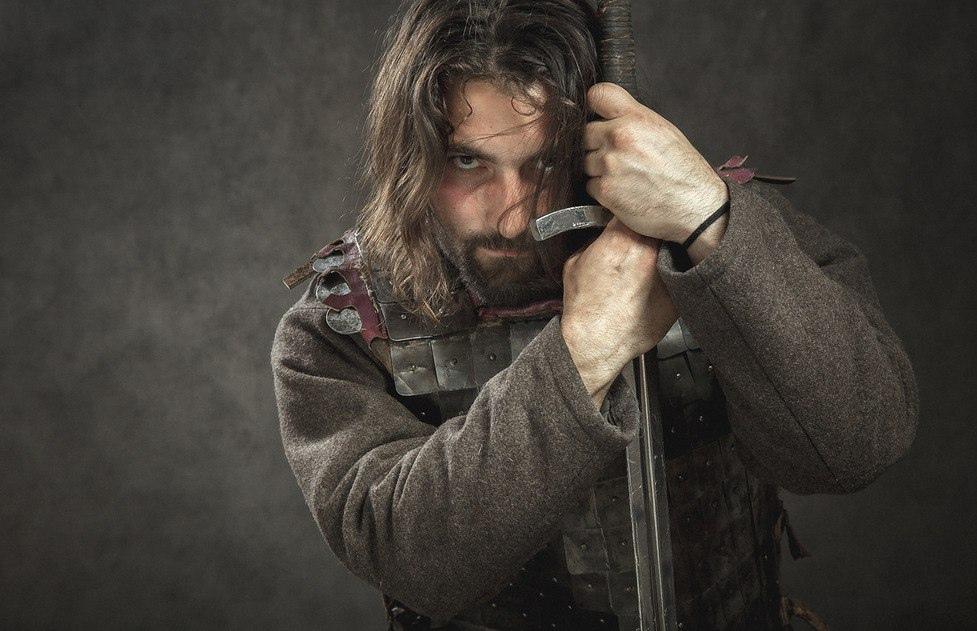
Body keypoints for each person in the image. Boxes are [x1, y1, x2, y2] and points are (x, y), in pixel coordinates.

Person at [271, 1, 919, 629]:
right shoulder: (344, 325)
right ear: (411, 155)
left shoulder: (724, 237)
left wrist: (705, 216)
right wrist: (584, 349)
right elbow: (412, 561)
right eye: (467, 161)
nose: (513, 215)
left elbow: (856, 448)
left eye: (546, 161)